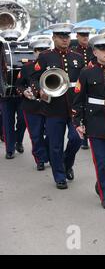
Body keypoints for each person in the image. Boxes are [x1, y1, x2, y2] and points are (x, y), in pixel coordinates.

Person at [31, 23, 85, 190]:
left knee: (77, 138)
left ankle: (67, 163)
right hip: (54, 108)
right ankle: (59, 176)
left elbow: (85, 81)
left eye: (67, 37)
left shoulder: (77, 57)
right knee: (55, 144)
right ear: (54, 38)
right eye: (61, 37)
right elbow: (34, 78)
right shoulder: (45, 56)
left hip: (74, 106)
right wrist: (39, 91)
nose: (64, 40)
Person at [72, 33, 105, 211]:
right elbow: (78, 98)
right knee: (101, 161)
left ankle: (101, 182)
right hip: (96, 121)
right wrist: (77, 121)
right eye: (102, 49)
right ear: (94, 51)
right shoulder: (87, 72)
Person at [16, 38, 51, 170]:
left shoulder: (53, 67)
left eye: (45, 50)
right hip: (32, 106)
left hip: (51, 106)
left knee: (52, 134)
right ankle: (40, 159)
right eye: (39, 50)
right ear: (34, 52)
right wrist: (24, 92)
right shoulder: (27, 68)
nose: (42, 53)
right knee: (35, 135)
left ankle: (49, 154)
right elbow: (18, 85)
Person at [0, 29, 26, 160]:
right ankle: (10, 149)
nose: (11, 43)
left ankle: (19, 140)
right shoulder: (1, 52)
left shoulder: (23, 51)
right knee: (7, 122)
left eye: (13, 40)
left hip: (21, 94)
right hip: (5, 95)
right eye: (9, 40)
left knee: (22, 120)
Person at [72, 26, 96, 150]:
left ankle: (89, 134)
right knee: (81, 108)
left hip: (92, 83)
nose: (85, 37)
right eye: (82, 35)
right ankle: (84, 138)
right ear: (77, 36)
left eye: (87, 35)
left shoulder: (93, 50)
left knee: (90, 109)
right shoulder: (74, 50)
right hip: (80, 84)